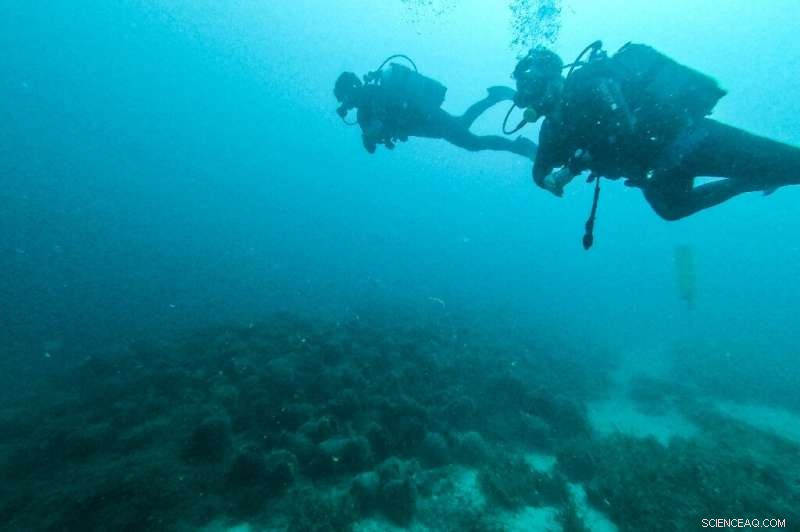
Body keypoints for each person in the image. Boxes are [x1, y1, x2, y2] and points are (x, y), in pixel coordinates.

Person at [511, 42, 800, 221]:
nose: (526, 93)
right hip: (656, 170)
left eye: (531, 83)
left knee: (792, 164)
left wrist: (578, 161)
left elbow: (622, 124)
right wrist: (547, 180)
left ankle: (761, 174)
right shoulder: (552, 129)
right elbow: (540, 170)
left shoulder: (588, 81)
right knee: (672, 209)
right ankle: (748, 181)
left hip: (694, 140)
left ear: (552, 78)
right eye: (523, 87)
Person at [334, 57, 537, 159]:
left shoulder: (371, 96)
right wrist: (369, 136)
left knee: (472, 142)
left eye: (345, 98)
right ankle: (493, 98)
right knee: (463, 125)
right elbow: (372, 146)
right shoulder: (366, 106)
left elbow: (373, 140)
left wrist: (369, 135)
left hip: (425, 118)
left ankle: (519, 146)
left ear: (349, 91)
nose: (346, 103)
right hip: (424, 121)